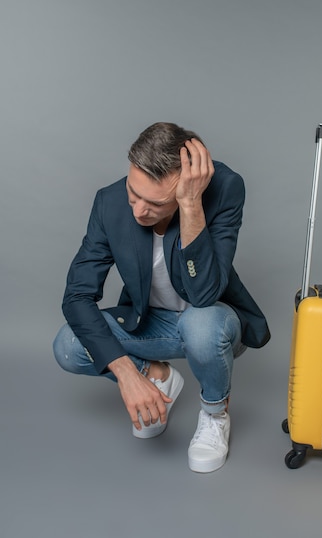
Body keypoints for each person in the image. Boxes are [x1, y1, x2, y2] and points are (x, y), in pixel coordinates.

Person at [53, 122, 270, 473]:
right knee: (68, 344)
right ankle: (157, 377)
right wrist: (127, 373)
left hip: (214, 323)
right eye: (133, 193)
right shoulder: (109, 202)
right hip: (151, 324)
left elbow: (204, 295)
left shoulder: (225, 189)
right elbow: (76, 296)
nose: (138, 210)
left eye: (155, 203)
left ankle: (216, 414)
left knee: (201, 324)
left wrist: (190, 206)